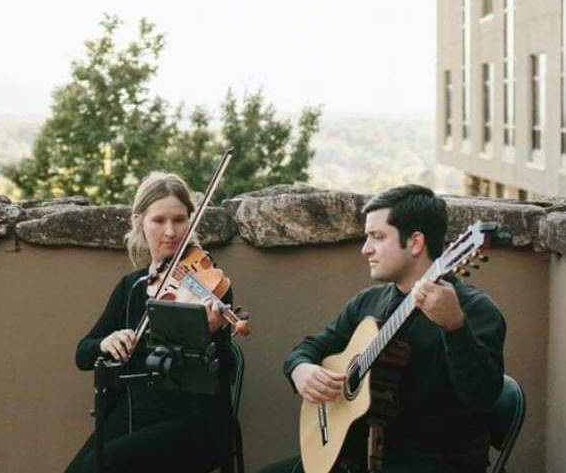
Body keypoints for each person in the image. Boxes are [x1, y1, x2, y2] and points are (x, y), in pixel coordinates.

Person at [259, 184, 505, 473]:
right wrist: (301, 369)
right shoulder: (368, 302)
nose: (365, 249)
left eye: (377, 237)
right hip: (353, 456)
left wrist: (455, 328)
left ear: (415, 242)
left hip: (430, 462)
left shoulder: (475, 310)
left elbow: (483, 398)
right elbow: (309, 348)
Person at [65, 172, 235, 473]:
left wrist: (206, 336)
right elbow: (83, 354)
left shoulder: (207, 285)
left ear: (190, 221)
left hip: (193, 421)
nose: (170, 231)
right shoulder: (132, 286)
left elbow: (226, 373)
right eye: (159, 220)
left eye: (179, 220)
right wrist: (106, 342)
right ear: (140, 222)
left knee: (100, 468)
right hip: (132, 414)